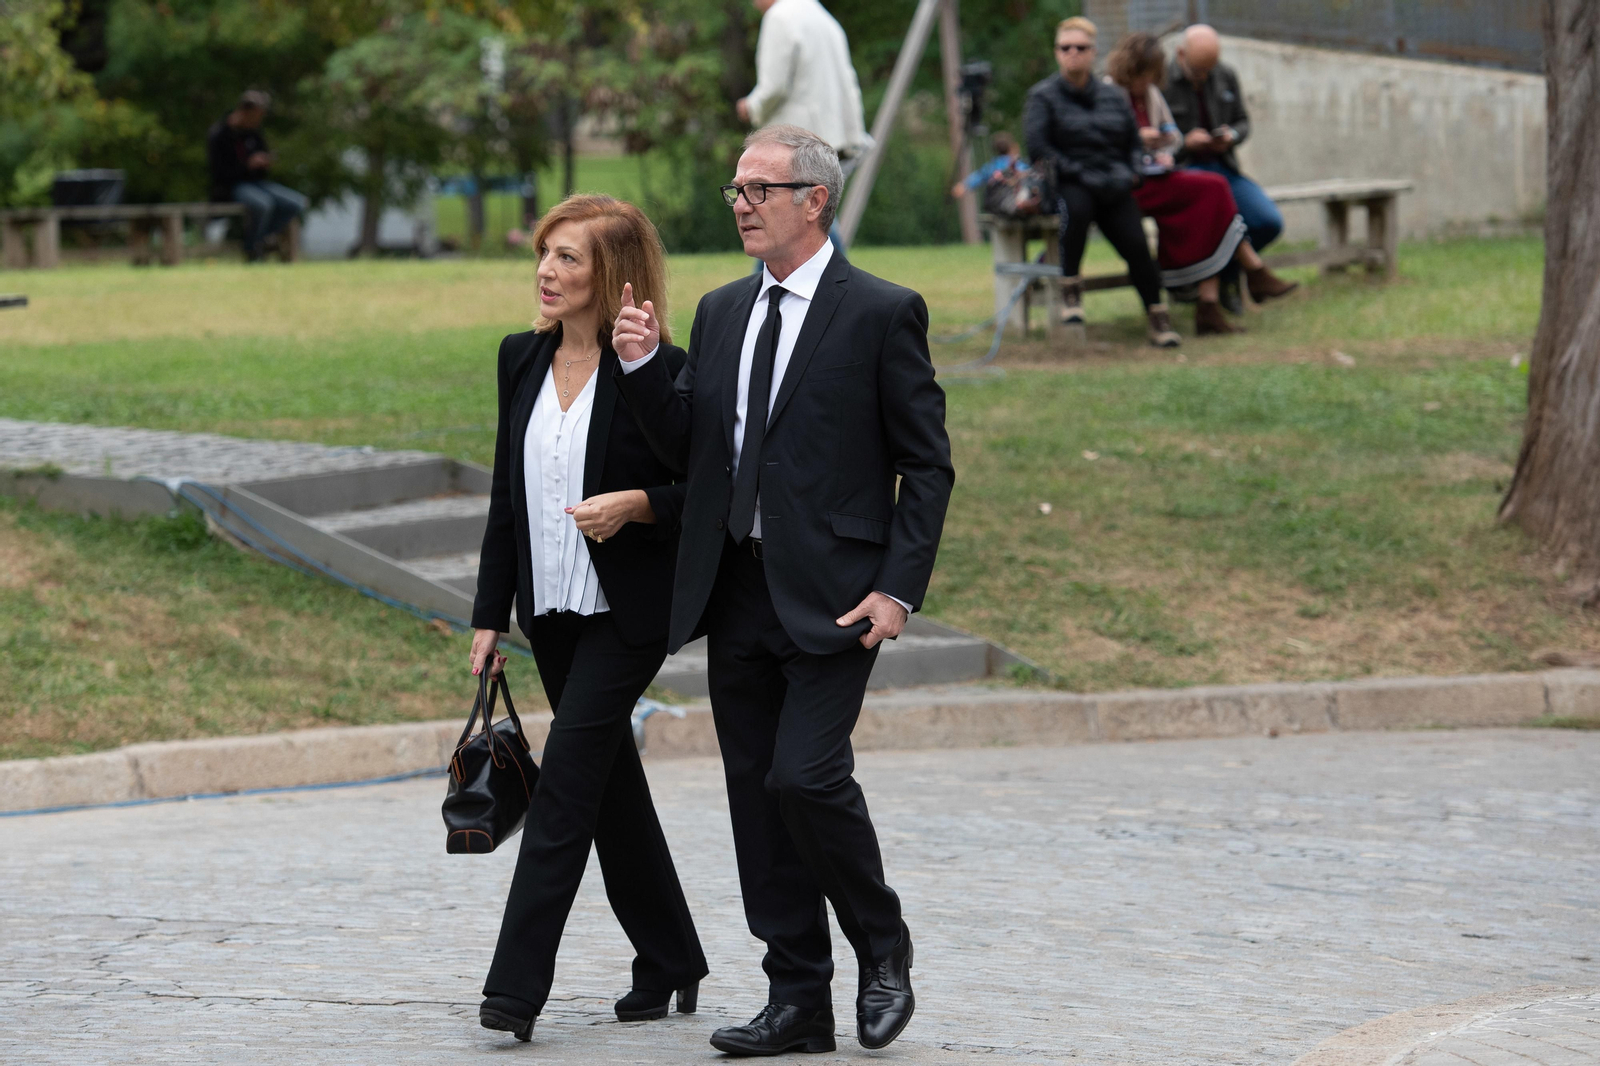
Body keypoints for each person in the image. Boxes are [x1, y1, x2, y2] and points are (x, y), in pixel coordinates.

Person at [611, 124, 953, 1056]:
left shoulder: (882, 311)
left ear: (816, 200)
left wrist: (898, 591)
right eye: (735, 189)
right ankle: (796, 998)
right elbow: (695, 448)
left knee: (805, 778)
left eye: (759, 188)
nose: (740, 203)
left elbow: (925, 466)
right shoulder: (722, 313)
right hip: (736, 591)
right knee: (755, 800)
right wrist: (645, 369)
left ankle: (882, 945)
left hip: (839, 596)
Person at [468, 194, 708, 1044]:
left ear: (613, 276)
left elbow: (701, 488)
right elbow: (507, 495)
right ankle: (672, 957)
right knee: (609, 788)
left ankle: (513, 990)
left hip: (627, 614)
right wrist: (489, 614)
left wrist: (639, 503)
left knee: (566, 789)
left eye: (569, 259)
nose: (546, 271)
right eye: (544, 254)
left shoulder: (662, 367)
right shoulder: (518, 360)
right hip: (552, 613)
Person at [1104, 32, 1297, 334]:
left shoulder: (1158, 91)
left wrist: (1173, 145)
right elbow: (1100, 143)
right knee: (1210, 194)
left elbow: (1172, 133)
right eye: (1144, 77)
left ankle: (1211, 303)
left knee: (1217, 190)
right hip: (1130, 182)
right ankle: (1250, 273)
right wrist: (1155, 143)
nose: (1148, 85)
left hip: (1176, 172)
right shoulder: (1109, 93)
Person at [1024, 16, 1181, 347]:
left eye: (1081, 48)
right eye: (1066, 48)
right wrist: (1078, 172)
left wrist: (1131, 173)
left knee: (1137, 244)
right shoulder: (1043, 96)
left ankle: (1157, 313)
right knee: (1076, 210)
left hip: (1114, 182)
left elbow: (1132, 144)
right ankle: (1070, 291)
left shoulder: (1113, 96)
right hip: (1071, 181)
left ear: (1093, 52)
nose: (1073, 54)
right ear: (1056, 52)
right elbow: (1038, 148)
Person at [736, 0, 872, 256]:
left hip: (795, 143)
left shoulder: (779, 17)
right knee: (809, 218)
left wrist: (750, 106)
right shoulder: (826, 19)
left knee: (794, 222)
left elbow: (774, 86)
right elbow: (849, 84)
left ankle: (837, 284)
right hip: (834, 137)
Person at [1164, 24, 1284, 256]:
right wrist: (1184, 143)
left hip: (1224, 168)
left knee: (1268, 221)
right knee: (1217, 222)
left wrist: (1232, 136)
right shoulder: (1162, 83)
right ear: (1181, 54)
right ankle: (1223, 280)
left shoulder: (1224, 74)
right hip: (1184, 172)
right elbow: (1151, 140)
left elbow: (1243, 122)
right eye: (1199, 70)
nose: (1205, 76)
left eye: (1210, 68)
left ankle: (1226, 275)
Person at [205, 91, 306, 263]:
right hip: (231, 186)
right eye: (257, 116)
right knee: (262, 204)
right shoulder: (219, 134)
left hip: (257, 183)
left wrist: (264, 163)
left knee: (297, 203)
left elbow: (262, 162)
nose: (259, 120)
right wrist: (247, 165)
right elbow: (219, 172)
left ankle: (262, 238)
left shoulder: (254, 132)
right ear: (245, 112)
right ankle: (252, 248)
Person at [950, 132, 1042, 217]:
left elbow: (979, 176)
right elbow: (1031, 175)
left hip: (999, 205)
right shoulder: (1017, 164)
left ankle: (1018, 205)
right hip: (1016, 196)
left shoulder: (993, 166)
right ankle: (1025, 204)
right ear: (1012, 147)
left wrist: (963, 186)